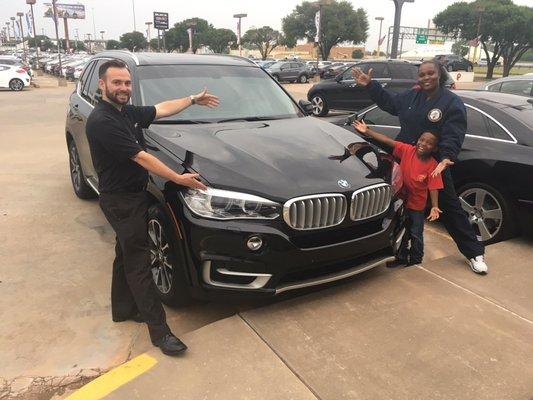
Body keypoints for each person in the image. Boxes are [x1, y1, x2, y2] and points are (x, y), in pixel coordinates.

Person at [86, 59, 219, 356]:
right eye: (116, 82)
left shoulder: (125, 111)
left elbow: (161, 108)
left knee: (125, 254)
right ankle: (160, 333)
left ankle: (122, 309)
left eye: (127, 83)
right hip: (121, 201)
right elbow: (141, 157)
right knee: (139, 265)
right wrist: (176, 178)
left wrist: (193, 99)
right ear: (102, 84)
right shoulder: (103, 121)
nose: (123, 88)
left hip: (132, 195)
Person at [352, 60, 488, 274]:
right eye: (422, 74)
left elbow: (454, 133)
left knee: (450, 208)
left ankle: (474, 253)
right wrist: (371, 86)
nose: (425, 78)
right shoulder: (410, 97)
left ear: (439, 75)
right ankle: (401, 253)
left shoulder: (450, 102)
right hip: (405, 160)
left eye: (430, 73)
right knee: (402, 208)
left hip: (434, 166)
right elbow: (389, 103)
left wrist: (446, 157)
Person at [352, 120, 443, 266]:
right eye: (422, 140)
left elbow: (434, 187)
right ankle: (400, 258)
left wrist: (434, 206)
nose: (423, 144)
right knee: (399, 230)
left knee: (415, 234)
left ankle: (416, 260)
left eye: (429, 143)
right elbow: (389, 141)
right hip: (401, 200)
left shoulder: (433, 165)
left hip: (416, 207)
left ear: (434, 148)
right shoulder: (408, 150)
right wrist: (367, 131)